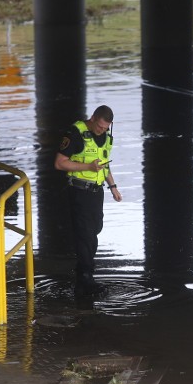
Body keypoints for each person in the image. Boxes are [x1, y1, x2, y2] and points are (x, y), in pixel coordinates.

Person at [54, 105, 122, 299]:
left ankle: (82, 277)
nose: (102, 130)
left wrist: (113, 187)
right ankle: (86, 279)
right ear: (93, 118)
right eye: (100, 126)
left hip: (96, 192)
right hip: (79, 190)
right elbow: (59, 163)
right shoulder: (76, 132)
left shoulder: (106, 137)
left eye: (105, 128)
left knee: (94, 230)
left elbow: (104, 164)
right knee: (87, 236)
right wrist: (88, 167)